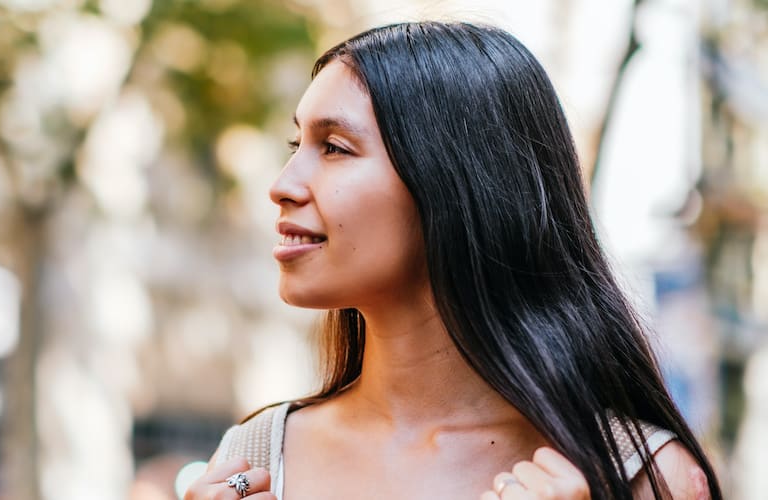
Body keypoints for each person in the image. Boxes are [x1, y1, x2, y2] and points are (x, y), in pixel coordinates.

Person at [186, 21, 721, 499]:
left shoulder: (642, 475)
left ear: (456, 184)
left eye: (335, 147)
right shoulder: (255, 458)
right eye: (294, 143)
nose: (282, 186)